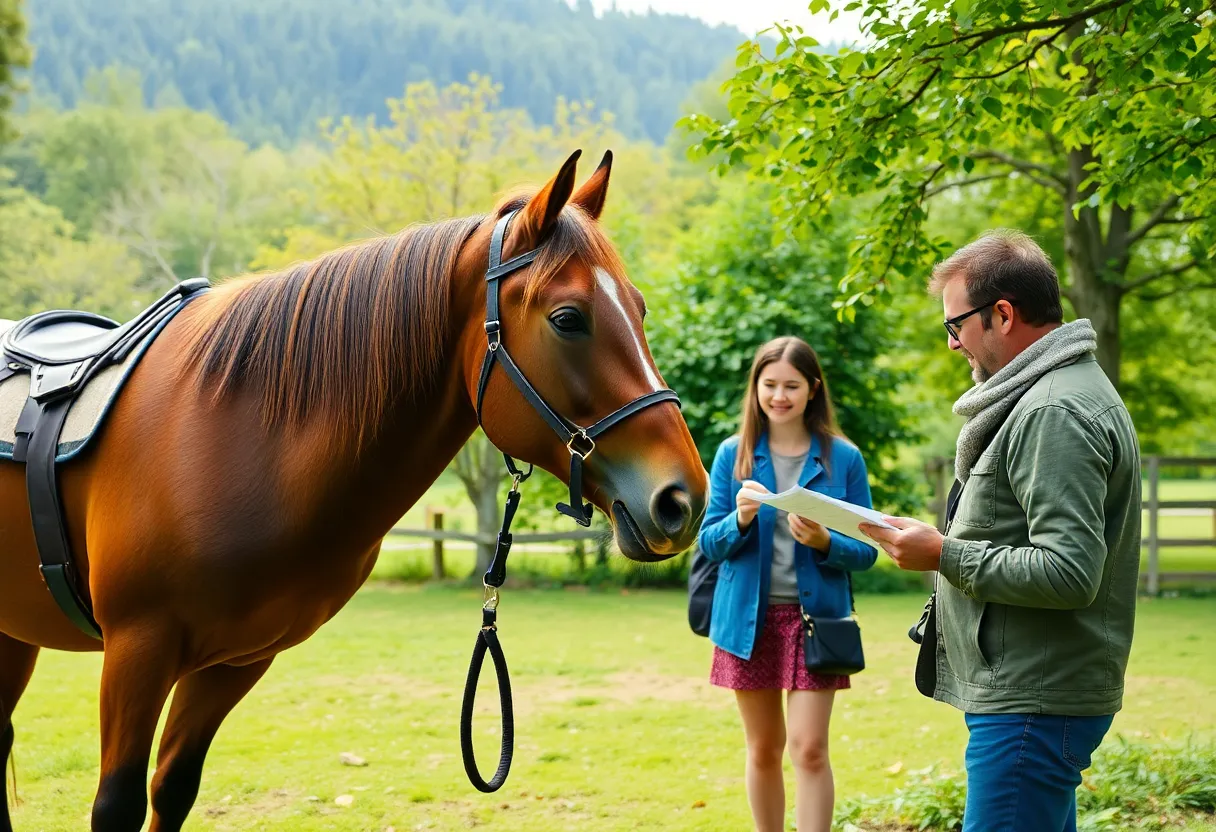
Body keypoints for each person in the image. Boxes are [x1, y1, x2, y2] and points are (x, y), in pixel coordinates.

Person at [859, 230, 1141, 832]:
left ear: (1003, 314)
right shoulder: (1052, 394)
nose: (953, 343)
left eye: (954, 326)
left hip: (1034, 701)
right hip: (1032, 692)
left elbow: (1069, 572)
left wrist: (943, 554)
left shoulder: (1053, 410)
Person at [698, 336, 877, 832]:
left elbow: (867, 551)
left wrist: (825, 541)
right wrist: (739, 518)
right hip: (747, 623)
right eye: (770, 384)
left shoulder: (843, 459)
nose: (780, 396)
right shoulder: (733, 455)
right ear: (755, 388)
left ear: (812, 389)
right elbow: (708, 545)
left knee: (810, 749)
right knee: (763, 749)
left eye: (792, 386)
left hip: (815, 623)